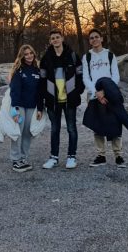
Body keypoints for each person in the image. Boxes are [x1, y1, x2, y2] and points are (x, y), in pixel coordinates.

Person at [39, 29, 84, 170]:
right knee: (54, 129)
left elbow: (80, 77)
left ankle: (71, 157)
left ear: (62, 38)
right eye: (52, 38)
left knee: (71, 128)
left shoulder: (73, 56)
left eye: (57, 37)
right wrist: (46, 97)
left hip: (69, 99)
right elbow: (42, 80)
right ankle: (54, 158)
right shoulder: (46, 58)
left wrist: (77, 93)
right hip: (53, 101)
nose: (55, 40)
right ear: (50, 41)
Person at [82, 28, 127, 168]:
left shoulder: (109, 55)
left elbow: (115, 75)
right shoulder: (87, 57)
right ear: (89, 41)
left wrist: (106, 91)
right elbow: (85, 77)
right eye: (91, 38)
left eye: (96, 37)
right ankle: (101, 156)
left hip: (110, 94)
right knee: (98, 125)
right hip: (94, 95)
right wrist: (96, 92)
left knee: (115, 122)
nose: (94, 39)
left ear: (101, 38)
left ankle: (118, 155)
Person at [8, 44, 43, 172]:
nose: (29, 56)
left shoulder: (37, 70)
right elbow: (15, 91)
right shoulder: (19, 70)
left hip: (32, 107)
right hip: (20, 106)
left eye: (31, 53)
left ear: (34, 54)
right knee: (18, 132)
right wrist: (15, 109)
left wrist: (40, 108)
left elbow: (40, 91)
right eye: (26, 54)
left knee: (27, 132)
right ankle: (15, 160)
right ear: (22, 57)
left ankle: (23, 157)